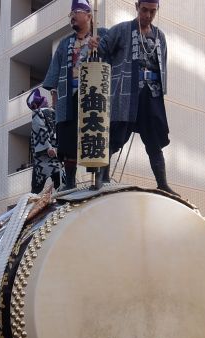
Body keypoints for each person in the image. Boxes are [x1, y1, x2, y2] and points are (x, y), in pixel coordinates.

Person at [96, 0, 177, 195]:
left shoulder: (160, 36)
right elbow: (102, 49)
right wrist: (95, 43)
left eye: (152, 11)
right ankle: (102, 177)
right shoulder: (122, 29)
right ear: (137, 7)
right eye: (144, 10)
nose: (148, 15)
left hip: (151, 93)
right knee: (117, 135)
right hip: (127, 90)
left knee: (154, 140)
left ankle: (162, 182)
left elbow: (162, 65)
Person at [42, 0, 107, 191]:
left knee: (93, 133)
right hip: (69, 96)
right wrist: (54, 95)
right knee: (67, 137)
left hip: (93, 93)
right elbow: (55, 72)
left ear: (88, 15)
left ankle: (98, 178)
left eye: (76, 12)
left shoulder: (102, 35)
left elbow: (114, 53)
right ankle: (69, 181)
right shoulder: (65, 43)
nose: (72, 17)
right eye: (70, 14)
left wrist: (99, 46)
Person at [26, 88, 63, 193]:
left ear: (34, 105)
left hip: (43, 157)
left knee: (35, 189)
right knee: (61, 185)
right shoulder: (55, 112)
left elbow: (40, 129)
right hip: (57, 154)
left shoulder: (37, 113)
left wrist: (47, 147)